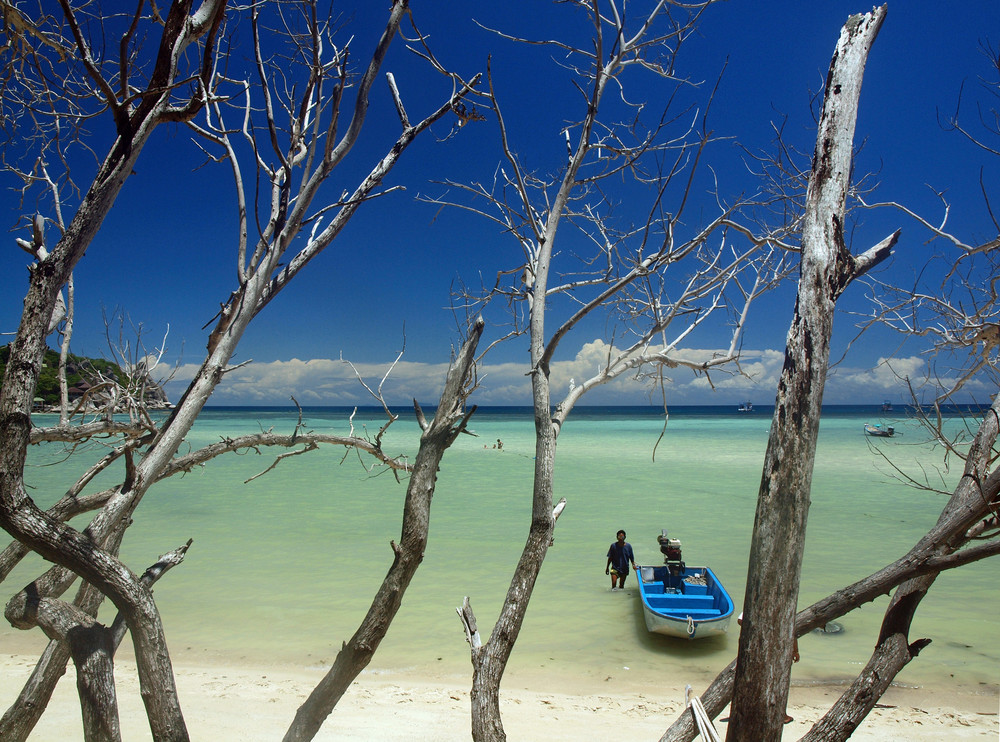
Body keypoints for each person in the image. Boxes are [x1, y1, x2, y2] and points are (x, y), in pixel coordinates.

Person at [736, 612, 799, 724]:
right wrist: (795, 651)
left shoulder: (757, 606)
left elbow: (740, 620)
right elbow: (792, 632)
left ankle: (753, 712)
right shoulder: (784, 611)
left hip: (758, 651)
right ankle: (781, 715)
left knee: (757, 683)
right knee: (777, 684)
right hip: (774, 653)